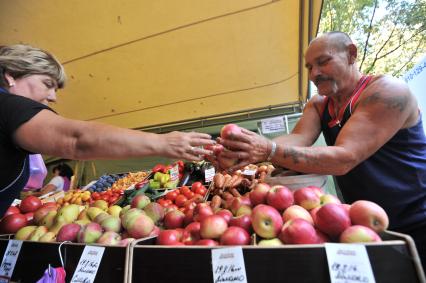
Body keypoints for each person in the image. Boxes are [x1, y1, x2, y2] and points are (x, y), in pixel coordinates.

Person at [217, 31, 426, 270]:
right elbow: (297, 139)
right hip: (361, 222)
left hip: (417, 219)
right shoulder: (319, 104)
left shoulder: (388, 91)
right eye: (309, 67)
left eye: (323, 62)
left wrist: (267, 149)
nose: (314, 74)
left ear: (351, 54)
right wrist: (244, 149)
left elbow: (344, 158)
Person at [0, 44, 215, 215]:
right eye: (47, 84)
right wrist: (164, 143)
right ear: (11, 75)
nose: (53, 97)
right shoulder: (9, 105)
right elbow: (76, 140)